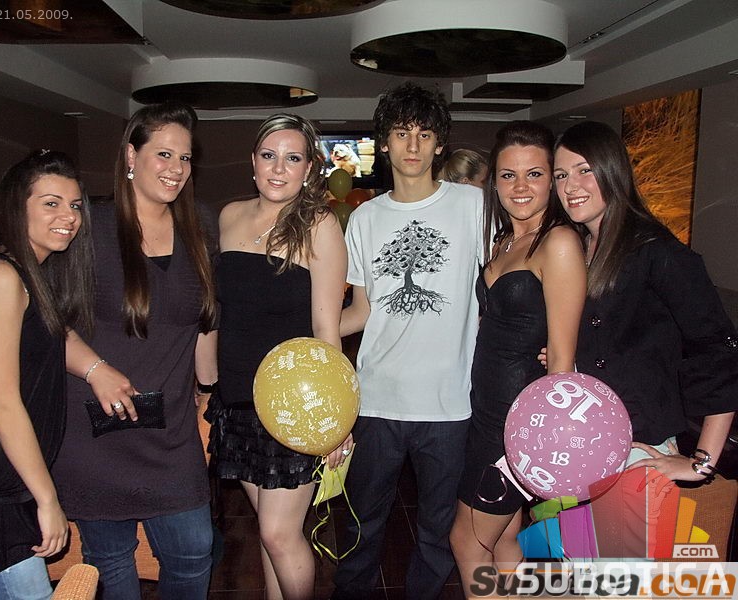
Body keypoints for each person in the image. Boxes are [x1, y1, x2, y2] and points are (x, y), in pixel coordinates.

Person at [51, 102, 218, 599]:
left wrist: (209, 392)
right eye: (163, 154)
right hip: (96, 429)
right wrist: (95, 369)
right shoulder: (88, 227)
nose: (176, 168)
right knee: (111, 562)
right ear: (131, 155)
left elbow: (204, 324)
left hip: (171, 432)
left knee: (194, 552)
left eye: (184, 158)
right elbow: (43, 319)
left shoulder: (200, 225)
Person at [333, 82, 485, 600]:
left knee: (438, 531)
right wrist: (304, 333)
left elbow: (506, 281)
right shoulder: (365, 218)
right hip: (376, 400)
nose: (413, 145)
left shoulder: (473, 206)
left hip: (450, 403)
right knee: (361, 521)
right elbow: (362, 310)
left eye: (424, 134)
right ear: (384, 143)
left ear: (440, 143)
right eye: (401, 133)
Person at [204, 113, 349, 600]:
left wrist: (335, 419)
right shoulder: (228, 216)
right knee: (270, 534)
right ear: (253, 162)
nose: (279, 168)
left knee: (279, 533)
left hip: (295, 405)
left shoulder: (319, 226)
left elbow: (327, 329)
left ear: (308, 169)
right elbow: (218, 312)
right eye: (269, 156)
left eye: (292, 158)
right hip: (236, 399)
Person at [0, 150, 93, 599]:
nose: (69, 216)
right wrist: (48, 499)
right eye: (51, 203)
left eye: (74, 204)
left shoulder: (32, 273)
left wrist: (99, 370)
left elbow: (53, 335)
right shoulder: (1, 275)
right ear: (15, 207)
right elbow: (2, 403)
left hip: (11, 477)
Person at [550, 120, 737, 483]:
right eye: (561, 175)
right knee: (568, 525)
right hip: (580, 436)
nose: (570, 186)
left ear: (613, 171)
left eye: (584, 170)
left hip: (640, 445)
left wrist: (701, 462)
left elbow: (719, 350)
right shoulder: (573, 247)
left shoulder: (656, 251)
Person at [449, 122, 586, 594]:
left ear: (552, 180)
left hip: (519, 425)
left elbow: (562, 359)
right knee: (505, 536)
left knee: (467, 542)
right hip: (486, 413)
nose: (521, 187)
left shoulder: (559, 242)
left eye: (535, 174)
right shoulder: (504, 241)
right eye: (508, 175)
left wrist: (540, 444)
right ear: (495, 183)